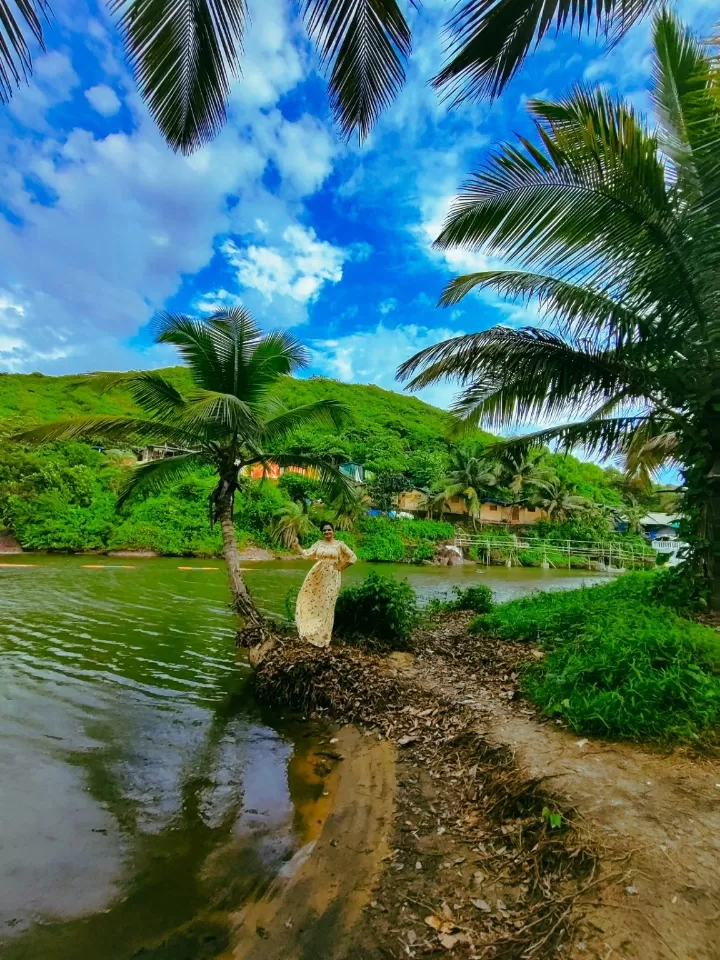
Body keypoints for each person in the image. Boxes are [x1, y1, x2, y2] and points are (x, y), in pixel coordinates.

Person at [292, 521, 357, 647]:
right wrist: (297, 545)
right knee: (313, 601)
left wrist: (340, 567)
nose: (327, 532)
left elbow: (353, 558)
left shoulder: (340, 545)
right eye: (324, 530)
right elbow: (307, 554)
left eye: (329, 530)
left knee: (327, 604)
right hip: (316, 576)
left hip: (332, 577)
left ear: (333, 531)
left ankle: (324, 637)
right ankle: (310, 631)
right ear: (322, 532)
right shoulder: (318, 544)